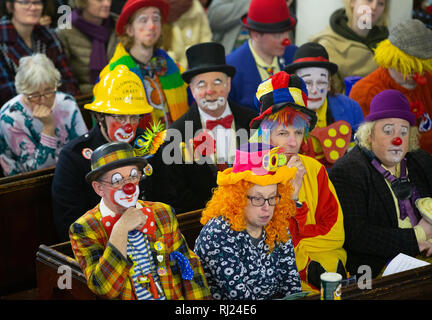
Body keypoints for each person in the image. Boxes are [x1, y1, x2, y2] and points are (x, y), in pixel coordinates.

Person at [70, 141, 211, 300]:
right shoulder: (85, 228)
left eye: (133, 176)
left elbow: (188, 265)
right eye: (117, 180)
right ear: (99, 188)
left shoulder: (161, 212)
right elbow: (104, 288)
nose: (129, 186)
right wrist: (120, 230)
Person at [250, 71, 347, 291]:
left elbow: (335, 233)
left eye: (298, 132)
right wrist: (292, 198)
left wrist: (302, 246)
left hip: (325, 265)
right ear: (266, 134)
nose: (293, 142)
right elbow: (264, 241)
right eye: (283, 133)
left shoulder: (315, 169)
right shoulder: (252, 173)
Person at [329, 90, 432, 279]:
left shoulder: (421, 161)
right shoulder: (348, 171)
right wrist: (417, 236)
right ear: (369, 135)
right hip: (377, 271)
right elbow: (356, 235)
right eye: (388, 130)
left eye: (403, 131)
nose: (397, 139)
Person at [151, 42, 257, 214]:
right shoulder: (175, 135)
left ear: (228, 84)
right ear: (191, 90)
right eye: (201, 84)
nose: (210, 91)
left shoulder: (253, 122)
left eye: (217, 82)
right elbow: (175, 195)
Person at [52, 65, 153, 242]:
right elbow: (69, 224)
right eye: (120, 117)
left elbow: (169, 200)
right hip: (101, 247)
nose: (128, 125)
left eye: (134, 117)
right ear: (100, 117)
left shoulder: (150, 144)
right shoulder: (74, 157)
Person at [194, 142, 301, 299]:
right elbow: (239, 297)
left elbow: (291, 282)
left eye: (272, 197)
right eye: (257, 199)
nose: (267, 207)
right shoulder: (218, 233)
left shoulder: (277, 221)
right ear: (237, 199)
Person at [98, 0, 189, 130]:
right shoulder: (111, 76)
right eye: (143, 20)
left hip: (179, 144)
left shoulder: (174, 68)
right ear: (129, 29)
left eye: (156, 19)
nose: (152, 26)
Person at [349, 19, 432, 155]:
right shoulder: (366, 92)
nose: (417, 74)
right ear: (391, 59)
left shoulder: (428, 79)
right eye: (409, 67)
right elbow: (368, 149)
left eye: (422, 67)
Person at [0, 53, 87, 176]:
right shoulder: (9, 117)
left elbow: (84, 148)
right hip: (27, 185)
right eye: (34, 95)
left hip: (72, 174)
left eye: (48, 91)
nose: (43, 100)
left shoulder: (67, 103)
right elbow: (37, 171)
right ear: (23, 92)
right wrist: (48, 127)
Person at [284, 42, 364, 168]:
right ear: (295, 84)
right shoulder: (279, 113)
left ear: (329, 84)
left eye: (321, 82)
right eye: (308, 82)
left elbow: (363, 154)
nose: (315, 90)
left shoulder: (351, 108)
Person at [0, 0, 79, 106]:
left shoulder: (49, 36)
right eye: (25, 2)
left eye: (37, 2)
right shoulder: (2, 39)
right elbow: (6, 92)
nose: (33, 7)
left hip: (58, 108)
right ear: (10, 6)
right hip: (16, 115)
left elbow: (69, 82)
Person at [226, 0, 297, 112]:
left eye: (287, 32)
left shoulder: (295, 56)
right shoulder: (231, 69)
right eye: (278, 35)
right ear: (256, 35)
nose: (286, 40)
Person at [310, 0, 390, 94]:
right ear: (352, 2)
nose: (374, 7)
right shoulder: (328, 45)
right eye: (369, 0)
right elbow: (333, 96)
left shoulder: (388, 44)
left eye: (380, 3)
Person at [57, 0, 118, 95]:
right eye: (100, 0)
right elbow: (63, 78)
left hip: (120, 92)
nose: (107, 4)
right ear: (83, 2)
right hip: (85, 98)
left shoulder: (118, 25)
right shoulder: (65, 32)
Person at [161, 0, 212, 68]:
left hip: (196, 69)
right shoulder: (158, 12)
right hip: (169, 71)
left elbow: (206, 40)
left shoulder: (196, 9)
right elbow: (155, 52)